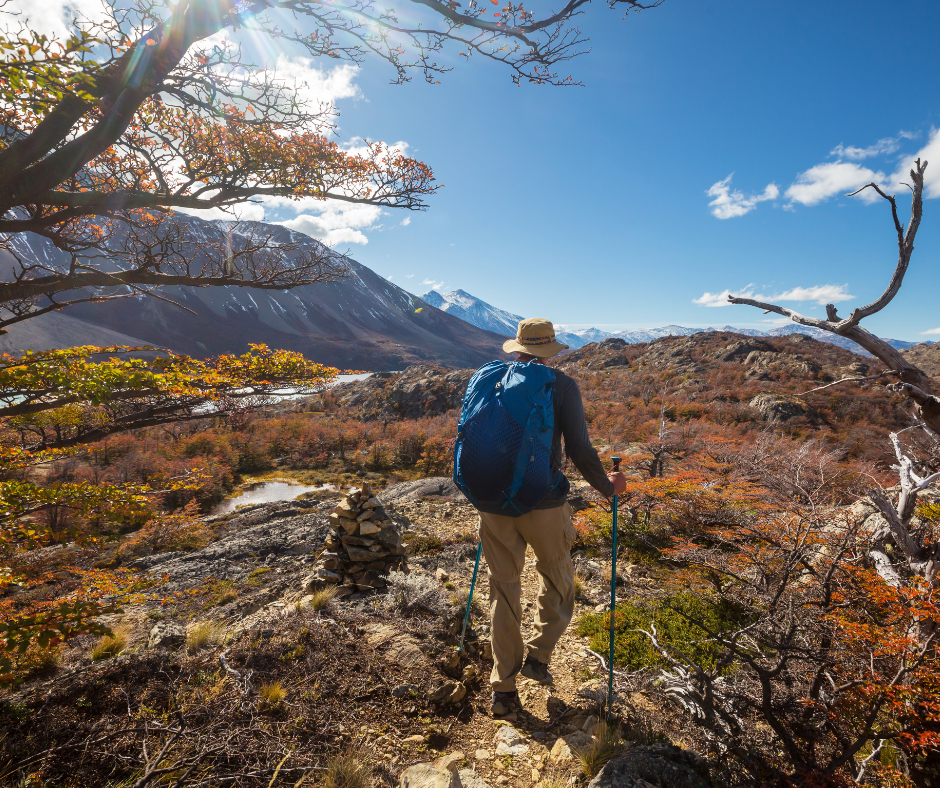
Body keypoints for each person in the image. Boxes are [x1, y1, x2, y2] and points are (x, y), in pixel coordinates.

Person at [475, 317, 627, 717]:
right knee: (559, 580)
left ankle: (503, 689)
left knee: (503, 589)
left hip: (493, 505)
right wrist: (608, 487)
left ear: (518, 347)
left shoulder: (489, 379)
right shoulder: (560, 385)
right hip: (543, 503)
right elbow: (579, 449)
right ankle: (539, 657)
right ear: (550, 349)